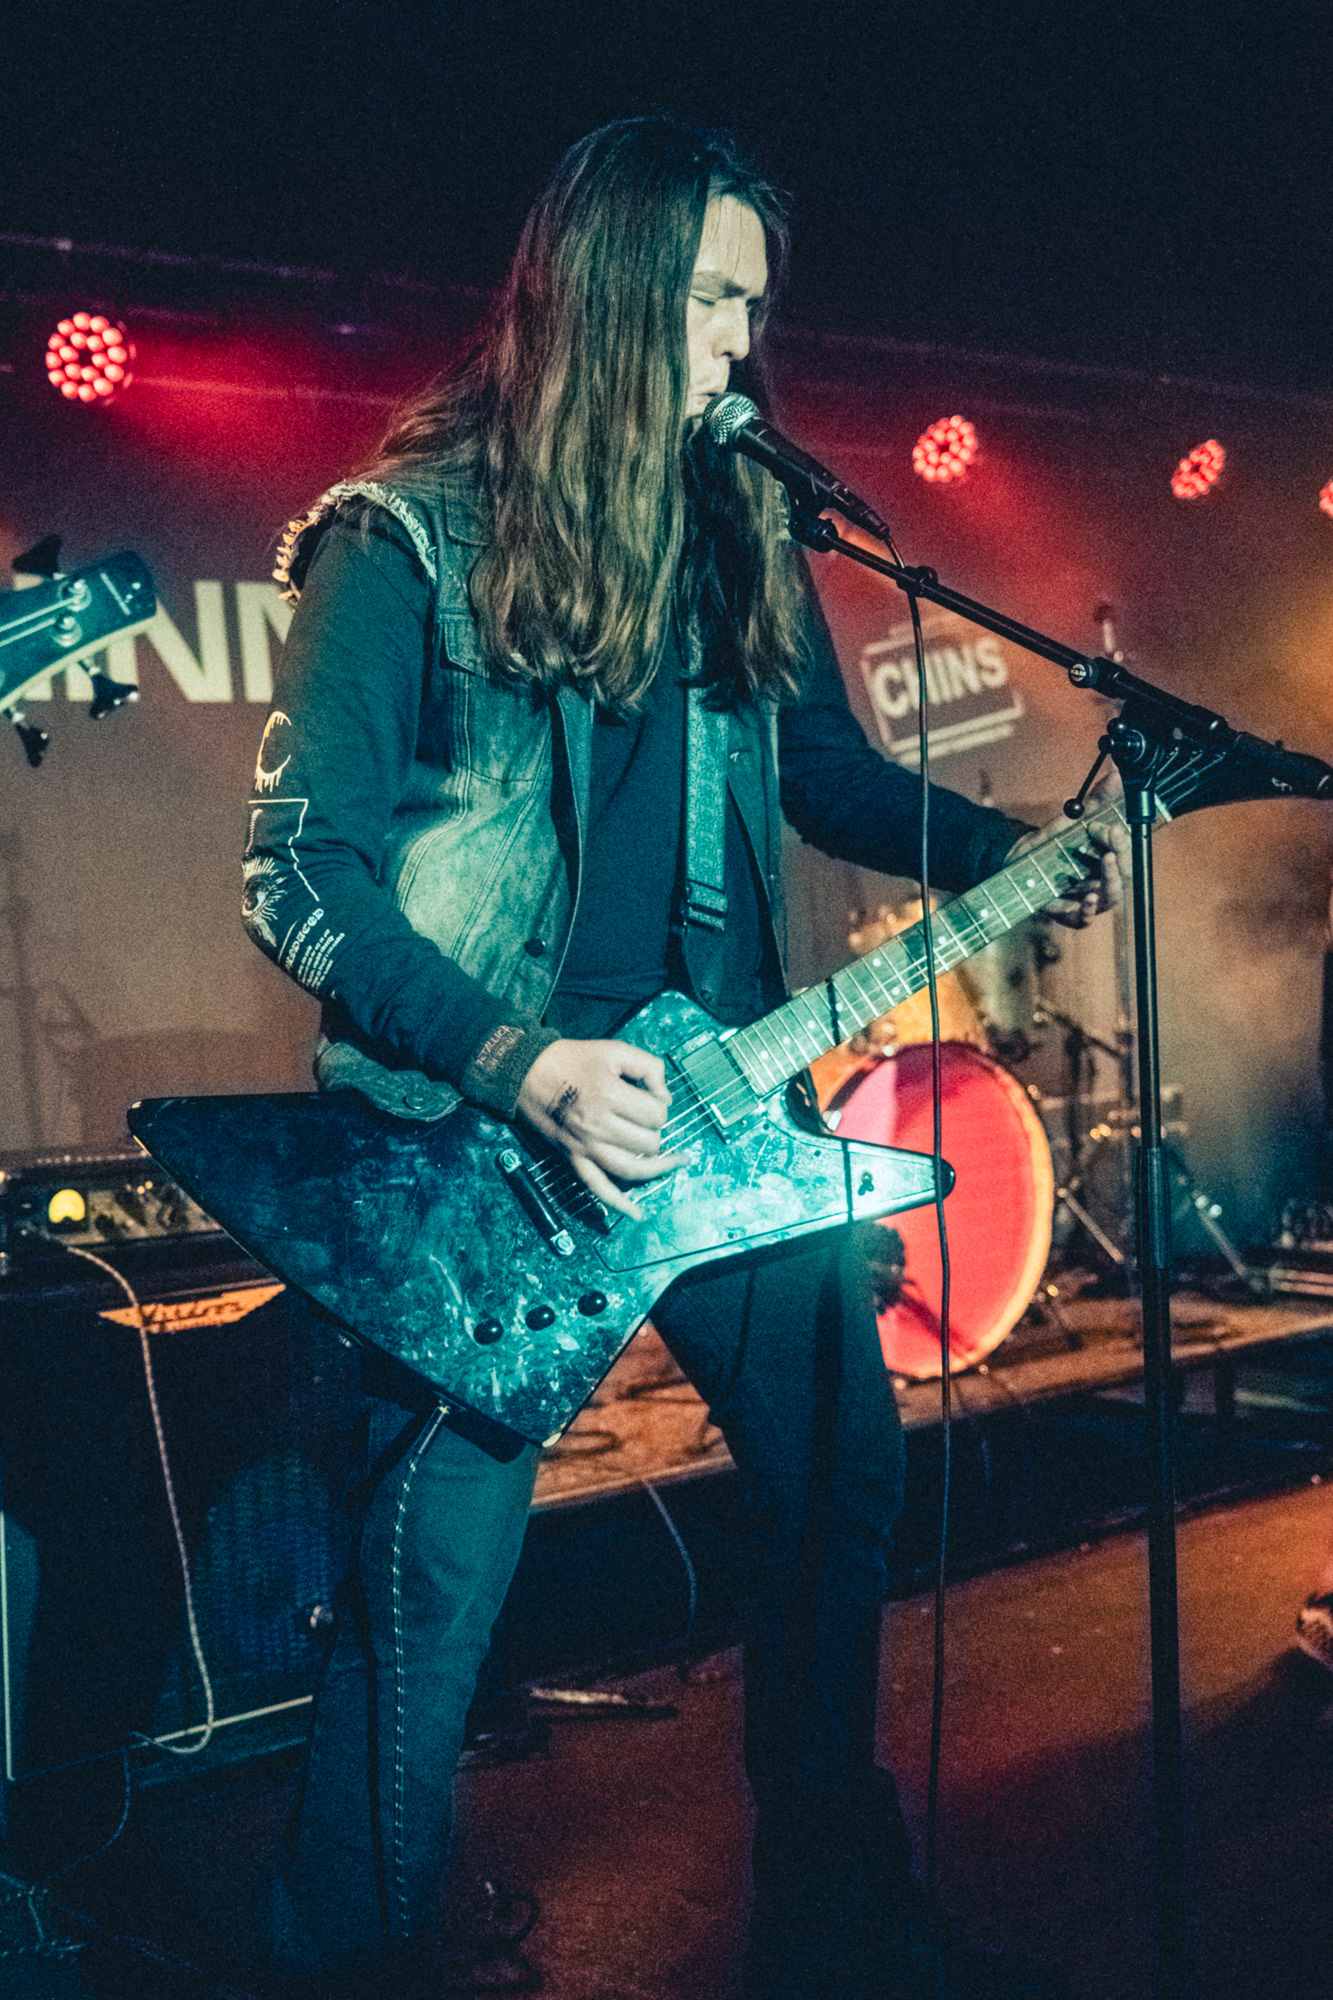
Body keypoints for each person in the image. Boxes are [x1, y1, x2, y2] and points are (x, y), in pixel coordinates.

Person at [239, 116, 1120, 2000]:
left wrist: (1018, 848)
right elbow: (297, 876)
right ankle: (352, 1952)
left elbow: (827, 783)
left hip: (723, 1109)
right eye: (713, 296)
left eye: (752, 303)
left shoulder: (738, 527)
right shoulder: (405, 536)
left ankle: (836, 1918)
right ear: (612, 288)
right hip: (482, 1146)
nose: (741, 338)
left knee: (838, 1483)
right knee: (428, 1589)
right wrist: (519, 1062)